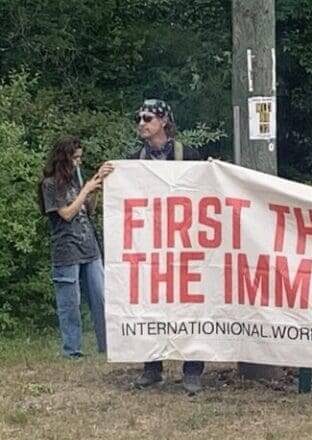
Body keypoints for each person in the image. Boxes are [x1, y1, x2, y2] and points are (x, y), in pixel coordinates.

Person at [130, 99, 205, 394]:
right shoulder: (134, 159)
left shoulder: (187, 154)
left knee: (191, 305)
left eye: (147, 118)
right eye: (138, 118)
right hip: (151, 244)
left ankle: (193, 370)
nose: (141, 123)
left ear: (163, 121)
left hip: (186, 243)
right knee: (151, 304)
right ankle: (152, 367)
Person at [38, 136, 113, 358]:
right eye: (75, 158)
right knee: (70, 303)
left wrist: (95, 190)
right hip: (66, 250)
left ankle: (107, 346)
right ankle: (73, 351)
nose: (79, 162)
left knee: (100, 297)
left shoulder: (76, 179)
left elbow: (87, 210)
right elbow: (67, 214)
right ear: (64, 158)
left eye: (80, 158)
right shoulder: (50, 184)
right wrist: (85, 189)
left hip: (89, 247)